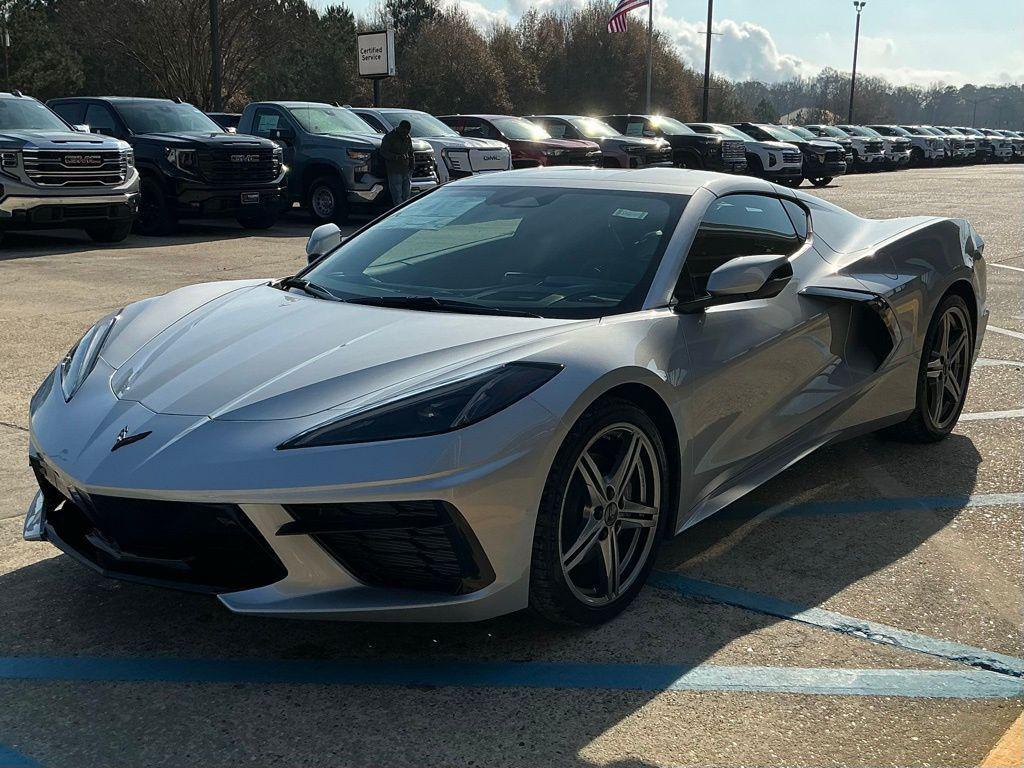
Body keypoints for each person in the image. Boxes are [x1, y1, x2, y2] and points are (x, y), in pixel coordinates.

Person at [380, 119, 415, 206]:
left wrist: (412, 165)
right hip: (394, 169)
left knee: (406, 193)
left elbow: (411, 152)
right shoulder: (390, 137)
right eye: (404, 131)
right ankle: (398, 210)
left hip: (406, 169)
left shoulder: (408, 138)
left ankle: (404, 209)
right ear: (400, 129)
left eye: (408, 132)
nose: (406, 133)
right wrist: (395, 157)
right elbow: (383, 152)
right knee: (397, 194)